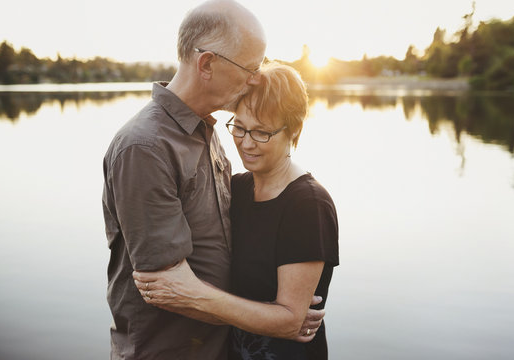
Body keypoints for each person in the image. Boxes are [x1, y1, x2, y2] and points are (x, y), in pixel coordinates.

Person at [102, 1, 322, 359]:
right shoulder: (146, 147)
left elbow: (209, 268)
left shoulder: (207, 131)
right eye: (250, 68)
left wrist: (278, 310)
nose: (256, 78)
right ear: (207, 64)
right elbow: (170, 289)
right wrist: (278, 321)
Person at [133, 62, 339, 360]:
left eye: (262, 133)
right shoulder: (236, 188)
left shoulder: (308, 205)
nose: (246, 143)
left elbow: (290, 320)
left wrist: (194, 294)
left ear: (293, 129)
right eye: (239, 127)